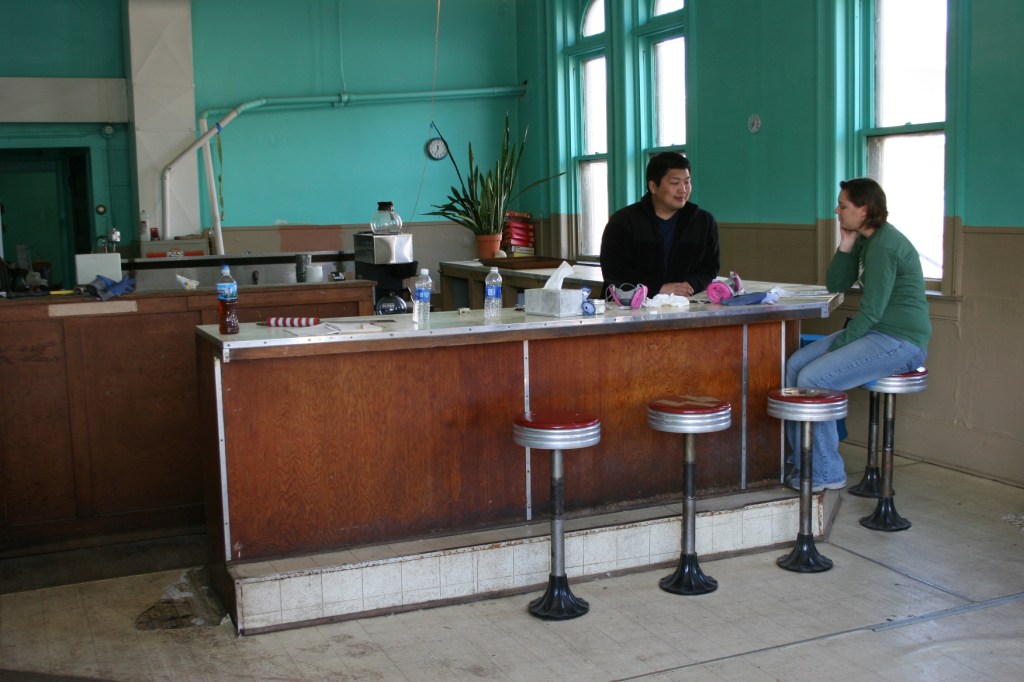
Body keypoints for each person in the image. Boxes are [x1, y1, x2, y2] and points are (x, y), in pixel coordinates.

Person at [785, 178, 931, 491]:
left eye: (843, 205)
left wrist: (837, 348)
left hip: (900, 341)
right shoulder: (866, 240)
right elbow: (836, 284)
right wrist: (846, 243)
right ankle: (802, 460)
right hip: (876, 333)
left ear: (863, 210)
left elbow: (873, 311)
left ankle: (826, 472)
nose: (836, 210)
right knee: (795, 365)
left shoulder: (885, 246)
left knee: (813, 379)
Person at [600, 152, 720, 299]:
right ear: (653, 186)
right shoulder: (623, 222)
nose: (683, 189)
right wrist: (659, 288)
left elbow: (710, 266)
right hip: (629, 307)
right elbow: (614, 271)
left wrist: (691, 285)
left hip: (683, 304)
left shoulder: (704, 222)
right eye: (675, 183)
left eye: (687, 182)